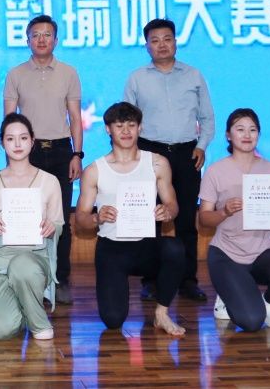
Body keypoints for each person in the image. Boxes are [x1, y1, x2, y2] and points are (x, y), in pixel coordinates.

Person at [74, 102, 186, 336]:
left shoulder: (157, 163)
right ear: (108, 129)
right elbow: (81, 218)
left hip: (147, 245)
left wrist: (167, 212)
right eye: (119, 126)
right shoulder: (95, 170)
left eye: (131, 125)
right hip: (112, 249)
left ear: (140, 128)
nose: (126, 131)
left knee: (175, 249)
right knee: (113, 320)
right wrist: (96, 218)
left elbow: (173, 204)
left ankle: (162, 313)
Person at [123, 18, 215, 302]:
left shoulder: (194, 75)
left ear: (175, 42)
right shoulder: (137, 78)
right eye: (155, 40)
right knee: (149, 219)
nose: (161, 45)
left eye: (167, 39)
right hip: (149, 153)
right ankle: (150, 280)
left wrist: (201, 146)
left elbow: (207, 117)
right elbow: (127, 121)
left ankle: (188, 280)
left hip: (187, 153)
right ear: (147, 46)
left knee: (186, 219)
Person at [3, 14, 84, 305]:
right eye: (35, 35)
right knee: (25, 217)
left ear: (56, 40)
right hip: (29, 152)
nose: (41, 39)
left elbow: (75, 118)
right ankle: (29, 279)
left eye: (47, 34)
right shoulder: (15, 74)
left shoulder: (69, 72)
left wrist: (77, 154)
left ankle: (60, 279)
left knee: (60, 219)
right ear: (27, 40)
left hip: (61, 151)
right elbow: (9, 120)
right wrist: (13, 156)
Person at [199, 108, 270, 332]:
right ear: (228, 135)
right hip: (227, 254)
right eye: (240, 129)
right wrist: (224, 212)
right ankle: (226, 295)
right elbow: (204, 219)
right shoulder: (215, 171)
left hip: (263, 251)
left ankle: (269, 304)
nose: (247, 135)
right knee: (251, 321)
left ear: (258, 134)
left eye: (252, 130)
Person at [0, 114, 64, 340]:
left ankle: (39, 323)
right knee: (0, 330)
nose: (17, 144)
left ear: (32, 141)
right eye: (10, 138)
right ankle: (23, 308)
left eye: (23, 138)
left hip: (34, 259)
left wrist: (51, 227)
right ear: (1, 143)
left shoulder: (49, 181)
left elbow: (59, 224)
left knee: (23, 267)